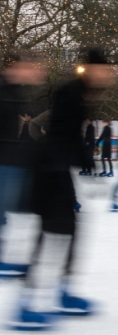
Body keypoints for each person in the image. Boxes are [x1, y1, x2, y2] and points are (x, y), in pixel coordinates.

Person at [19, 48, 117, 328]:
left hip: (58, 171)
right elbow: (66, 135)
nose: (108, 76)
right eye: (105, 70)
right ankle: (25, 303)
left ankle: (62, 292)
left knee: (69, 231)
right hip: (50, 173)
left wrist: (87, 164)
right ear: (93, 69)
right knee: (50, 235)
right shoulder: (71, 92)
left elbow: (70, 136)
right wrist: (89, 164)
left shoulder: (79, 93)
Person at [0, 52, 44, 280]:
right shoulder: (5, 92)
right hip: (5, 162)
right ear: (14, 68)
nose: (34, 71)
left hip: (14, 162)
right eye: (29, 67)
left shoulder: (17, 93)